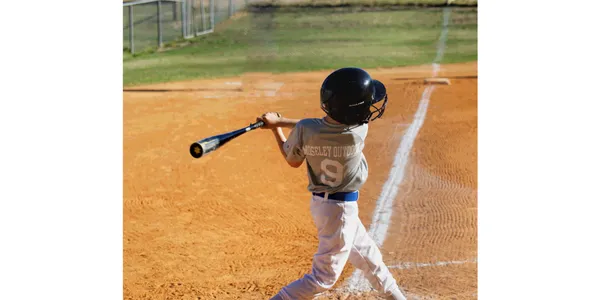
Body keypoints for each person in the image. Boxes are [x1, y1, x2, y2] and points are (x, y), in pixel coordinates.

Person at [256, 67, 407, 300]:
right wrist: (282, 120)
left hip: (326, 207)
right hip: (341, 210)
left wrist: (276, 126)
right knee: (323, 278)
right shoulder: (358, 131)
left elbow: (293, 158)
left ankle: (396, 296)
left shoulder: (306, 129)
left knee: (368, 255)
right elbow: (320, 126)